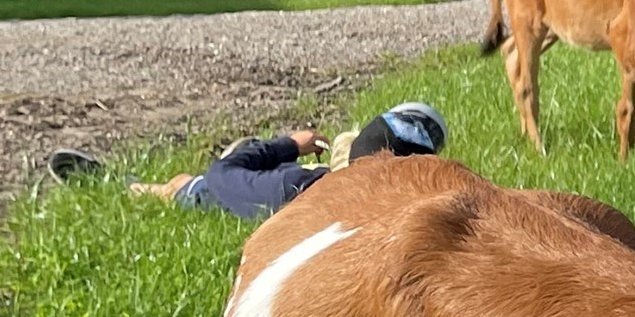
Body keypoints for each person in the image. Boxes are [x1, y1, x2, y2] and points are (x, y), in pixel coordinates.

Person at [108, 101, 447, 217]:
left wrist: (289, 145)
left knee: (183, 183)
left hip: (216, 191)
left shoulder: (298, 187)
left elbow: (221, 174)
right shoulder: (403, 208)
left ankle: (141, 189)